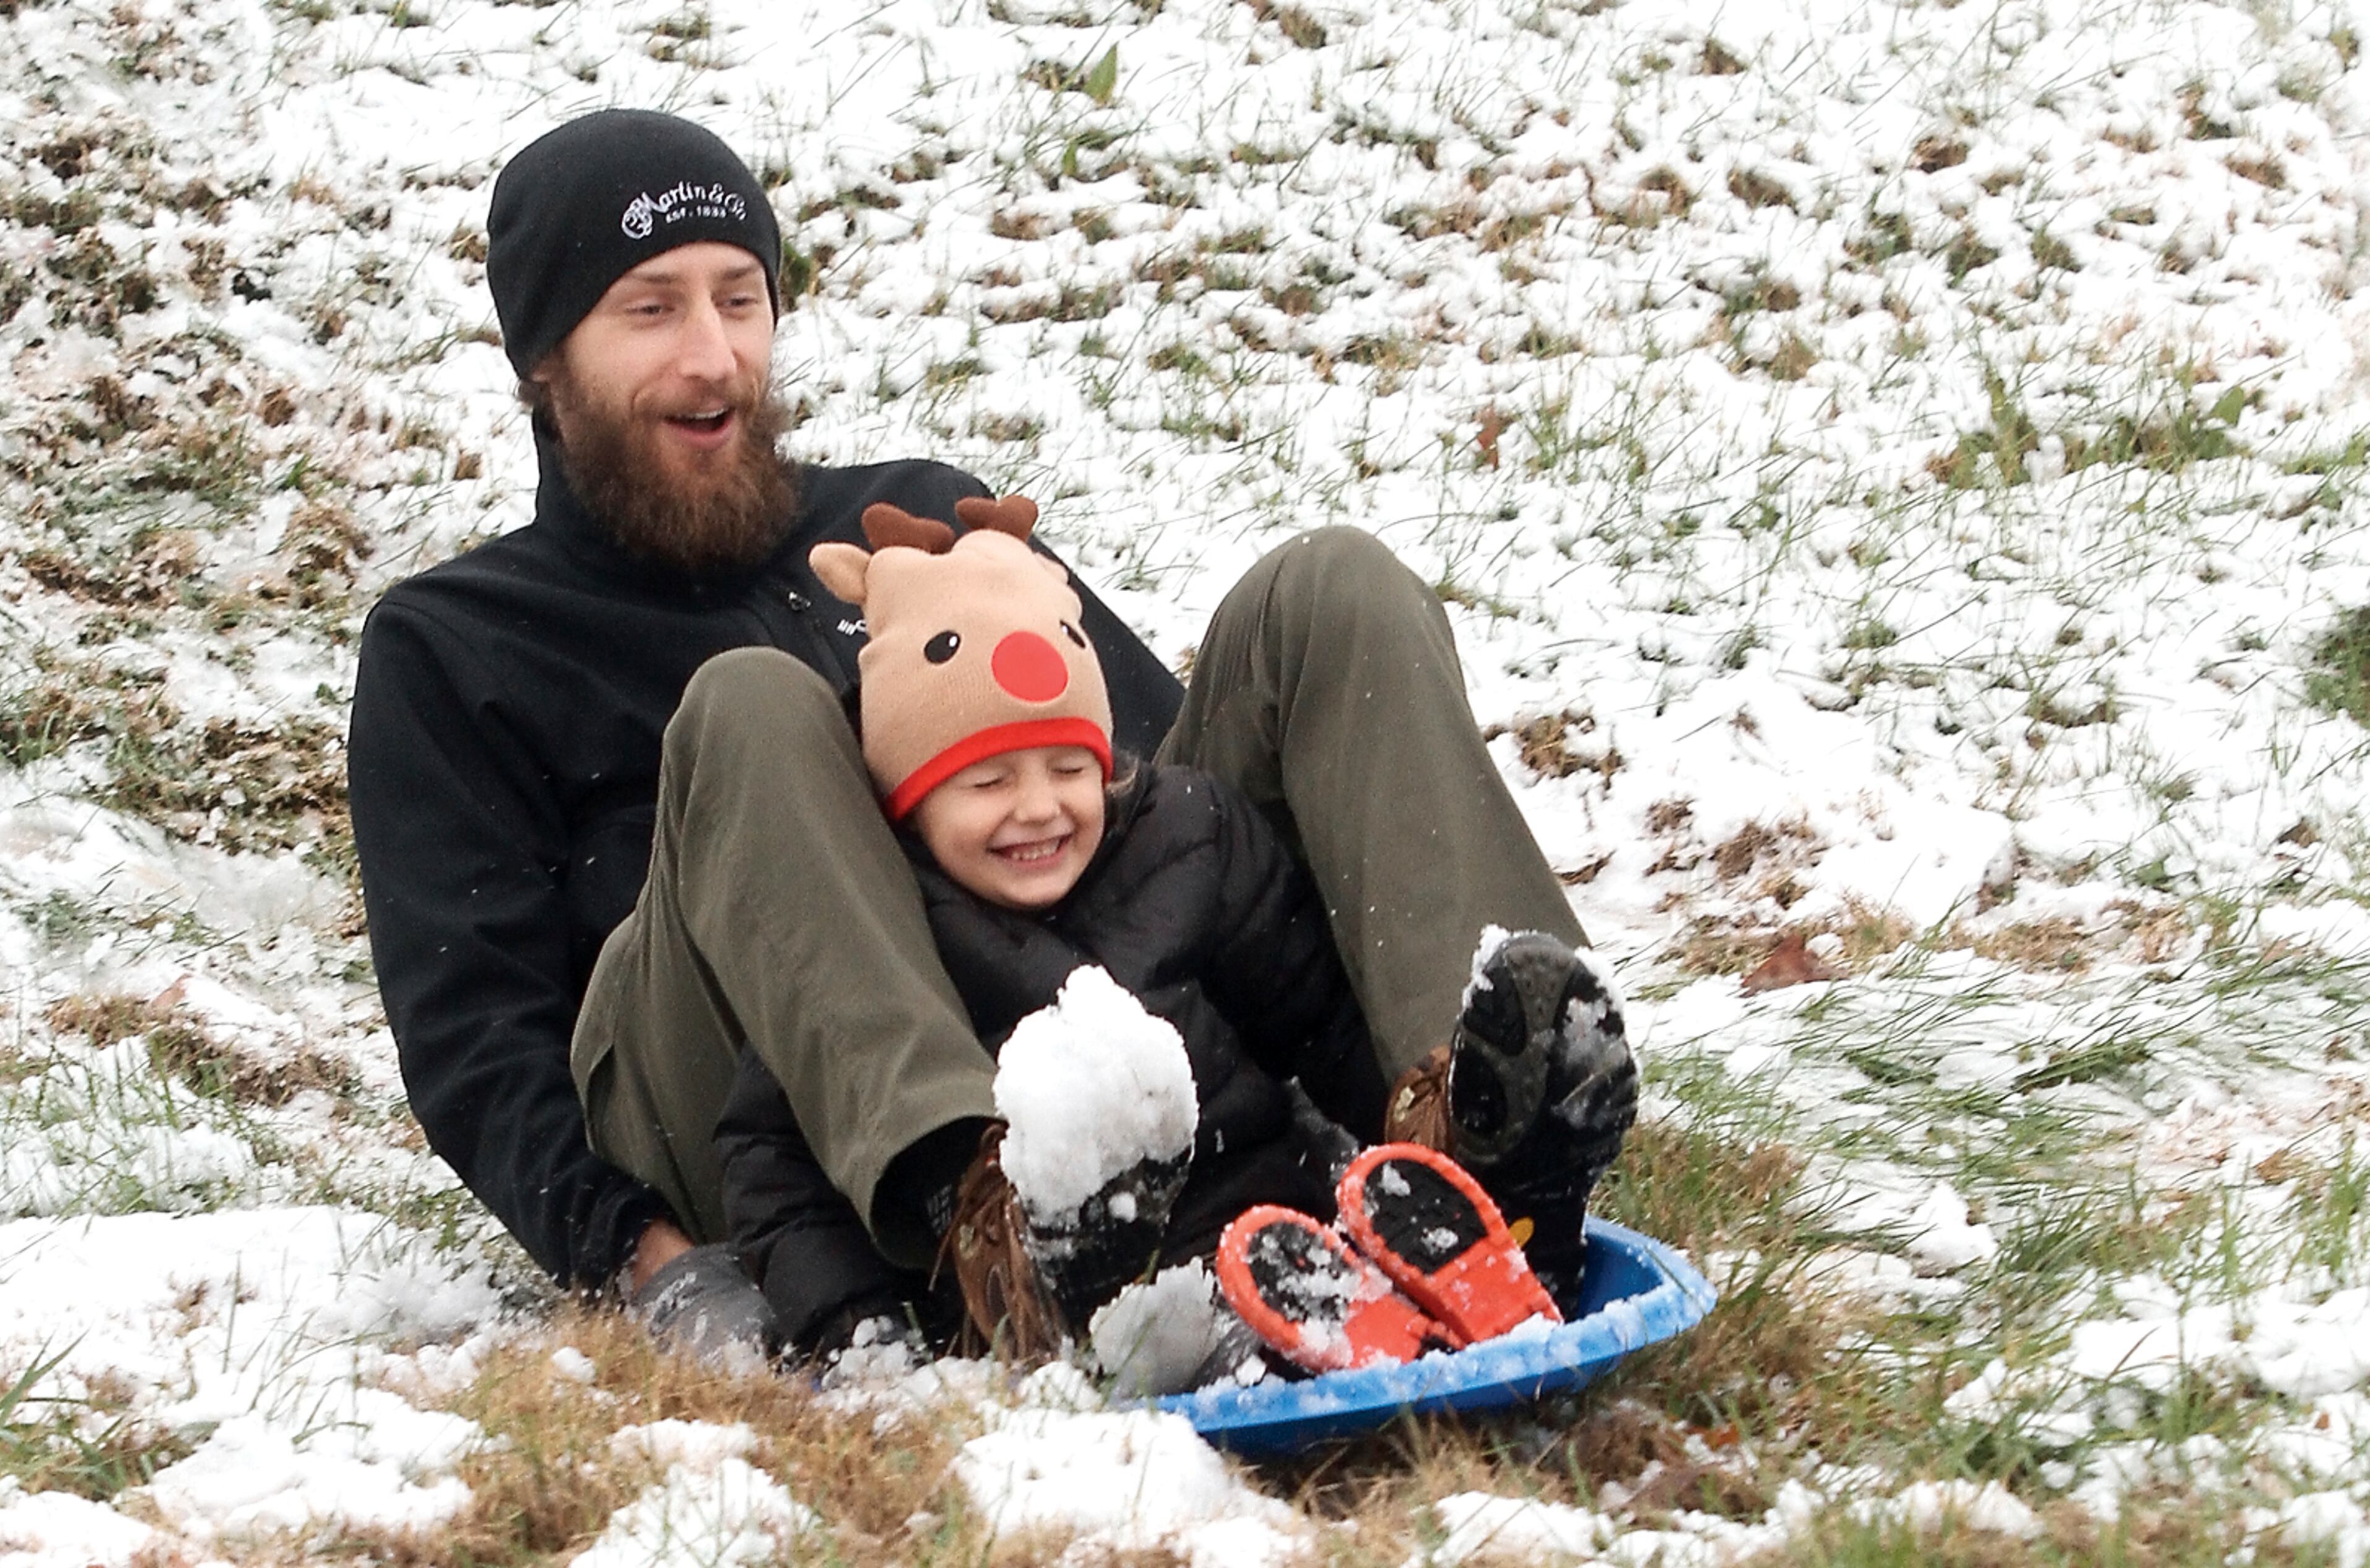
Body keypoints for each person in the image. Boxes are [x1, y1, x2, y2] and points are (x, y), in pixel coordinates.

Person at [347, 107, 1629, 1361]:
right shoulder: (461, 642)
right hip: (748, 1118)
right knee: (752, 701)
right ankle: (978, 1208)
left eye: (741, 299)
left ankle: (1482, 1119)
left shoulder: (920, 521)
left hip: (1070, 1049)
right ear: (543, 359)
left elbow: (1142, 787)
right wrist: (652, 1261)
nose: (714, 356)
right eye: (651, 309)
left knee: (1330, 589)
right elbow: (475, 1042)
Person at [717, 497, 1634, 1377]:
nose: (1038, 808)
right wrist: (854, 1329)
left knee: (1327, 1204)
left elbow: (1318, 1024)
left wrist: (1413, 1124)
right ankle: (1109, 1299)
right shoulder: (881, 925)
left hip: (1267, 1239)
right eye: (987, 783)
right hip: (1048, 1296)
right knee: (1117, 1271)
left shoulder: (1187, 841)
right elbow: (773, 1160)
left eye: (1069, 767)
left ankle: (1492, 1183)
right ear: (909, 802)